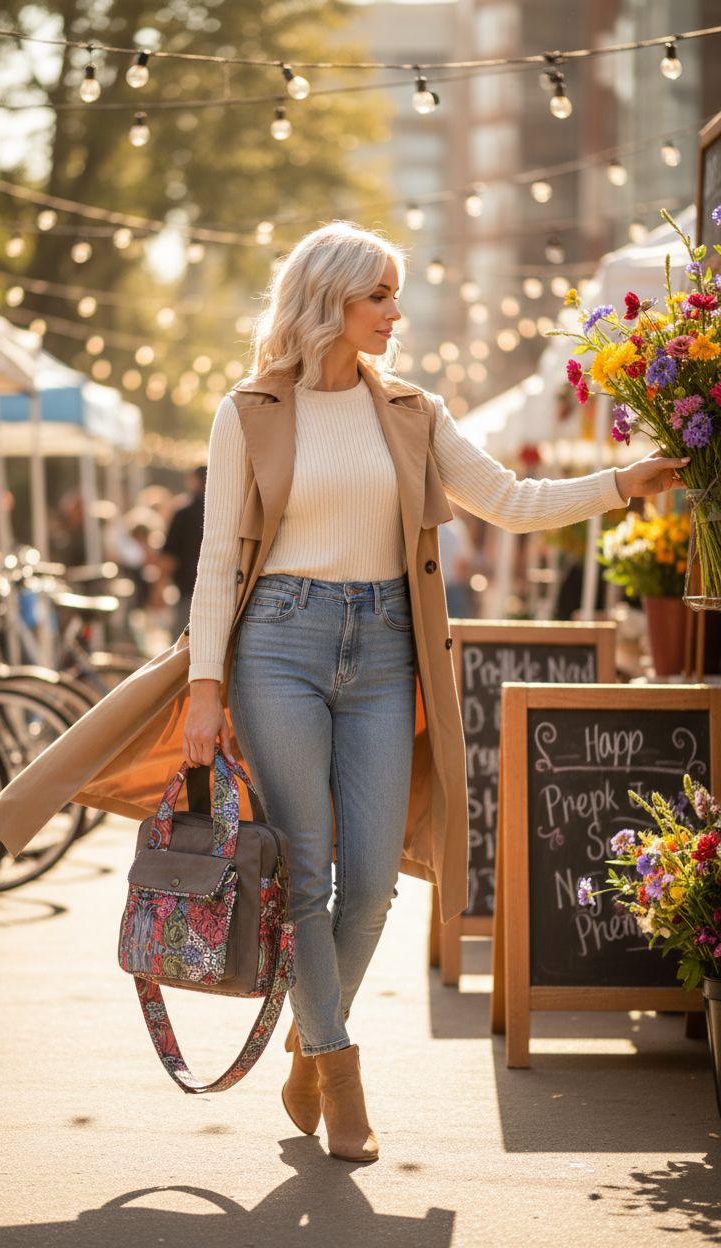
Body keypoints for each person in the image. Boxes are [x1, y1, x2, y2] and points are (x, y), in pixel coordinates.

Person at [181, 221, 688, 1163]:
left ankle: (308, 1037)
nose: (395, 313)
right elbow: (218, 562)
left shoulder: (412, 409)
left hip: (384, 651)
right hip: (276, 648)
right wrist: (205, 686)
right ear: (329, 298)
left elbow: (509, 499)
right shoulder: (247, 408)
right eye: (379, 295)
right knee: (306, 870)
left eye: (393, 295)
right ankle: (340, 1074)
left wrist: (622, 483)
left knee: (372, 885)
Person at [162, 466, 207, 636]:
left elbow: (170, 555)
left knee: (182, 644)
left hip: (188, 589)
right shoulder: (225, 510)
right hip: (220, 588)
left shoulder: (183, 512)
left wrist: (160, 586)